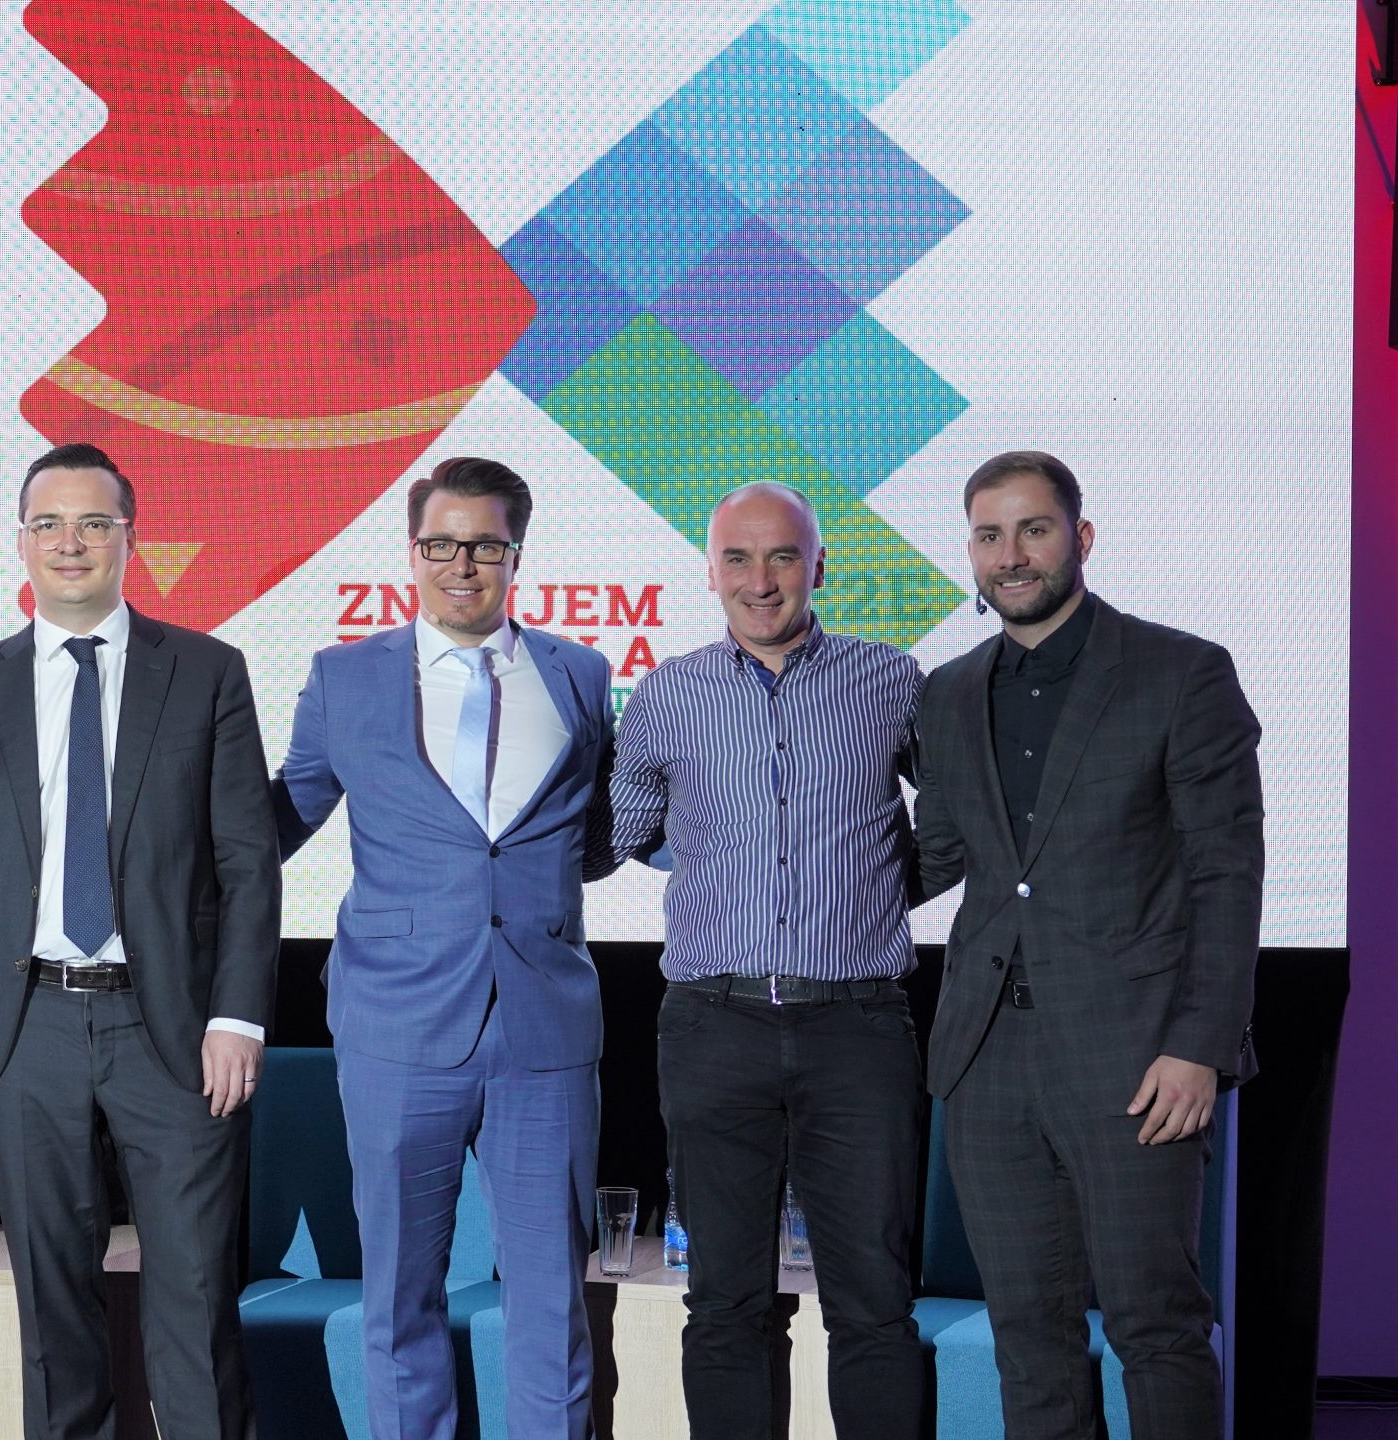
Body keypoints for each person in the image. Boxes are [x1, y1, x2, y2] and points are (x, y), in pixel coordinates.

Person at [0, 442, 279, 1440]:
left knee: (195, 1305)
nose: (69, 542)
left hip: (178, 1032)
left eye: (92, 523)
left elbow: (248, 863)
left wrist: (238, 1016)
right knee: (52, 1314)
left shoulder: (205, 672)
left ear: (129, 537)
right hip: (23, 1029)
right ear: (21, 542)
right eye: (48, 523)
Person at [913, 450, 1262, 1440]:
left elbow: (1226, 874)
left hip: (1136, 1056)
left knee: (1157, 1327)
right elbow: (936, 855)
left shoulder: (1180, 672)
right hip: (986, 1063)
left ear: (1081, 537)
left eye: (1033, 529)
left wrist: (1199, 1046)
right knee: (1027, 1336)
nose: (1011, 554)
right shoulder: (948, 693)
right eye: (989, 535)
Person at [273, 456, 613, 1439]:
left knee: (552, 1305)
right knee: (399, 1300)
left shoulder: (582, 674)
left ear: (516, 553)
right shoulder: (343, 677)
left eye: (484, 545)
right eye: (441, 543)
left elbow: (597, 836)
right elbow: (274, 824)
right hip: (395, 1026)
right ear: (412, 550)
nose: (461, 564)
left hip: (545, 1030)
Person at [596, 482, 925, 1436]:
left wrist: (870, 892)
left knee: (874, 1303)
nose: (761, 579)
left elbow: (959, 823)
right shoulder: (668, 692)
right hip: (713, 1024)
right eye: (738, 559)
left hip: (858, 1025)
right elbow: (619, 832)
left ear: (819, 566)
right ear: (710, 573)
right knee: (724, 1305)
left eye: (782, 556)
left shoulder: (892, 680)